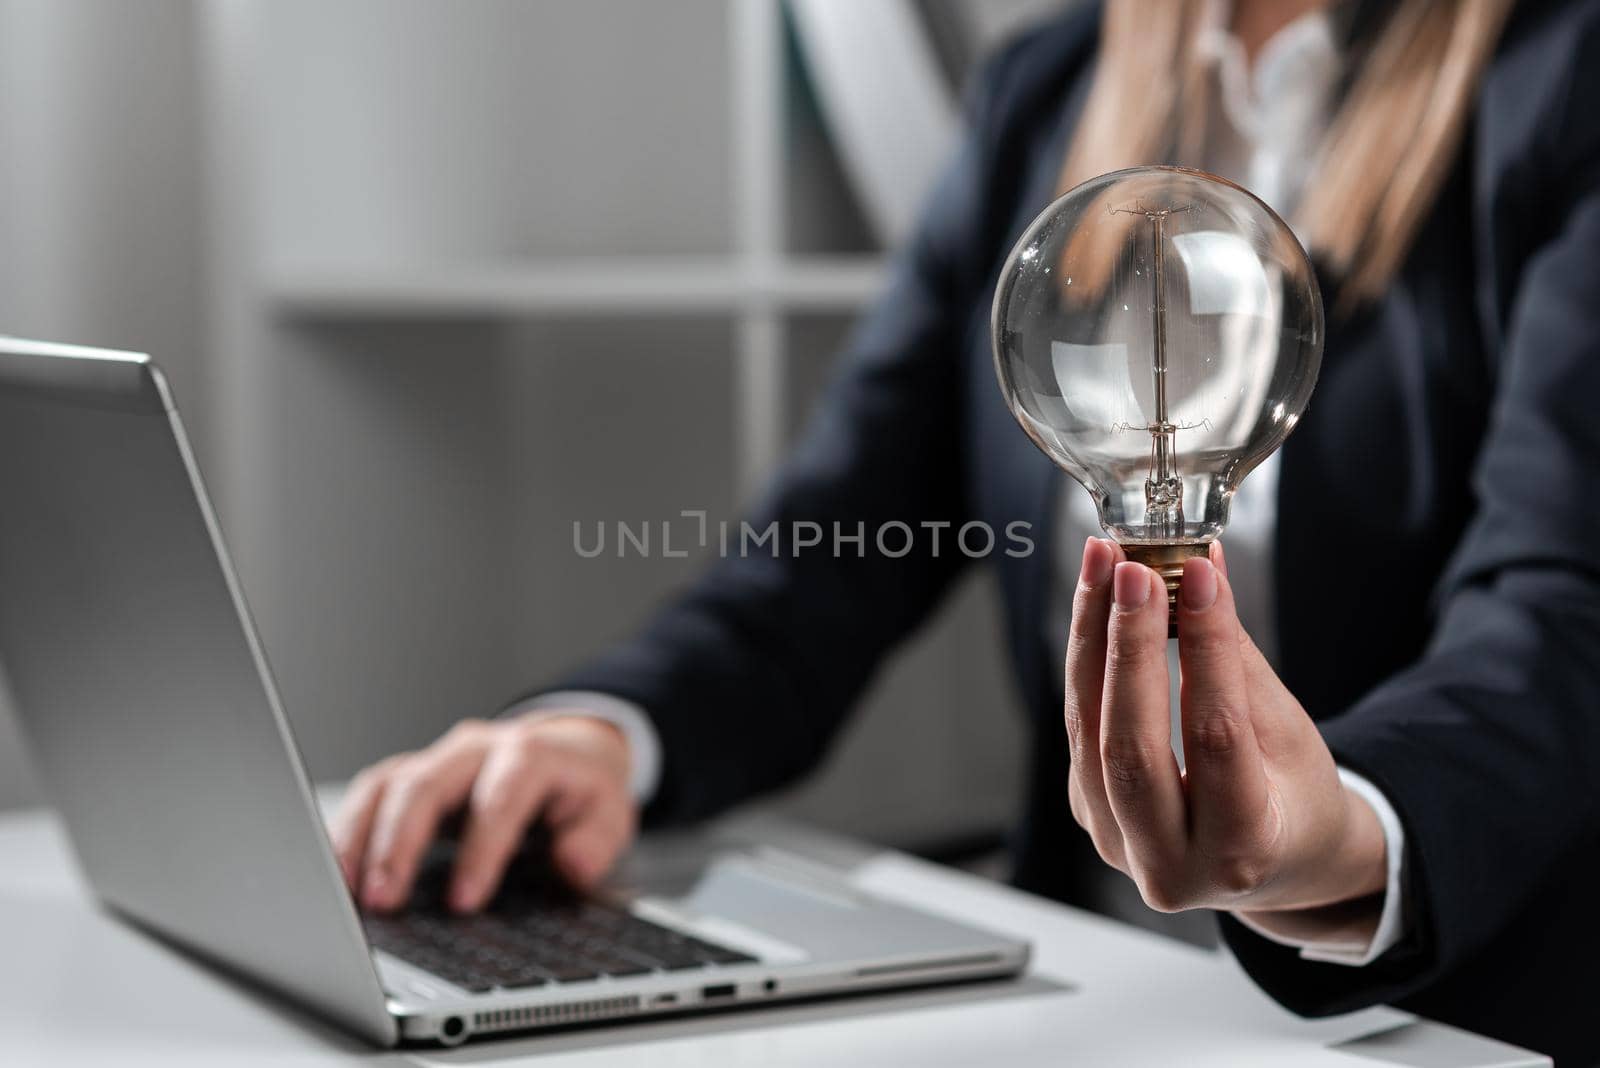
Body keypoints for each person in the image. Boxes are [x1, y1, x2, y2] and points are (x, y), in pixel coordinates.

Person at [332, 0, 1600, 1059]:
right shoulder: (1042, 94)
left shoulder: (1565, 77)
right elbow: (831, 543)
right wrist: (602, 731)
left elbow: (1558, 607)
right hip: (1093, 990)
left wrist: (1339, 835)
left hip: (1441, 1011)